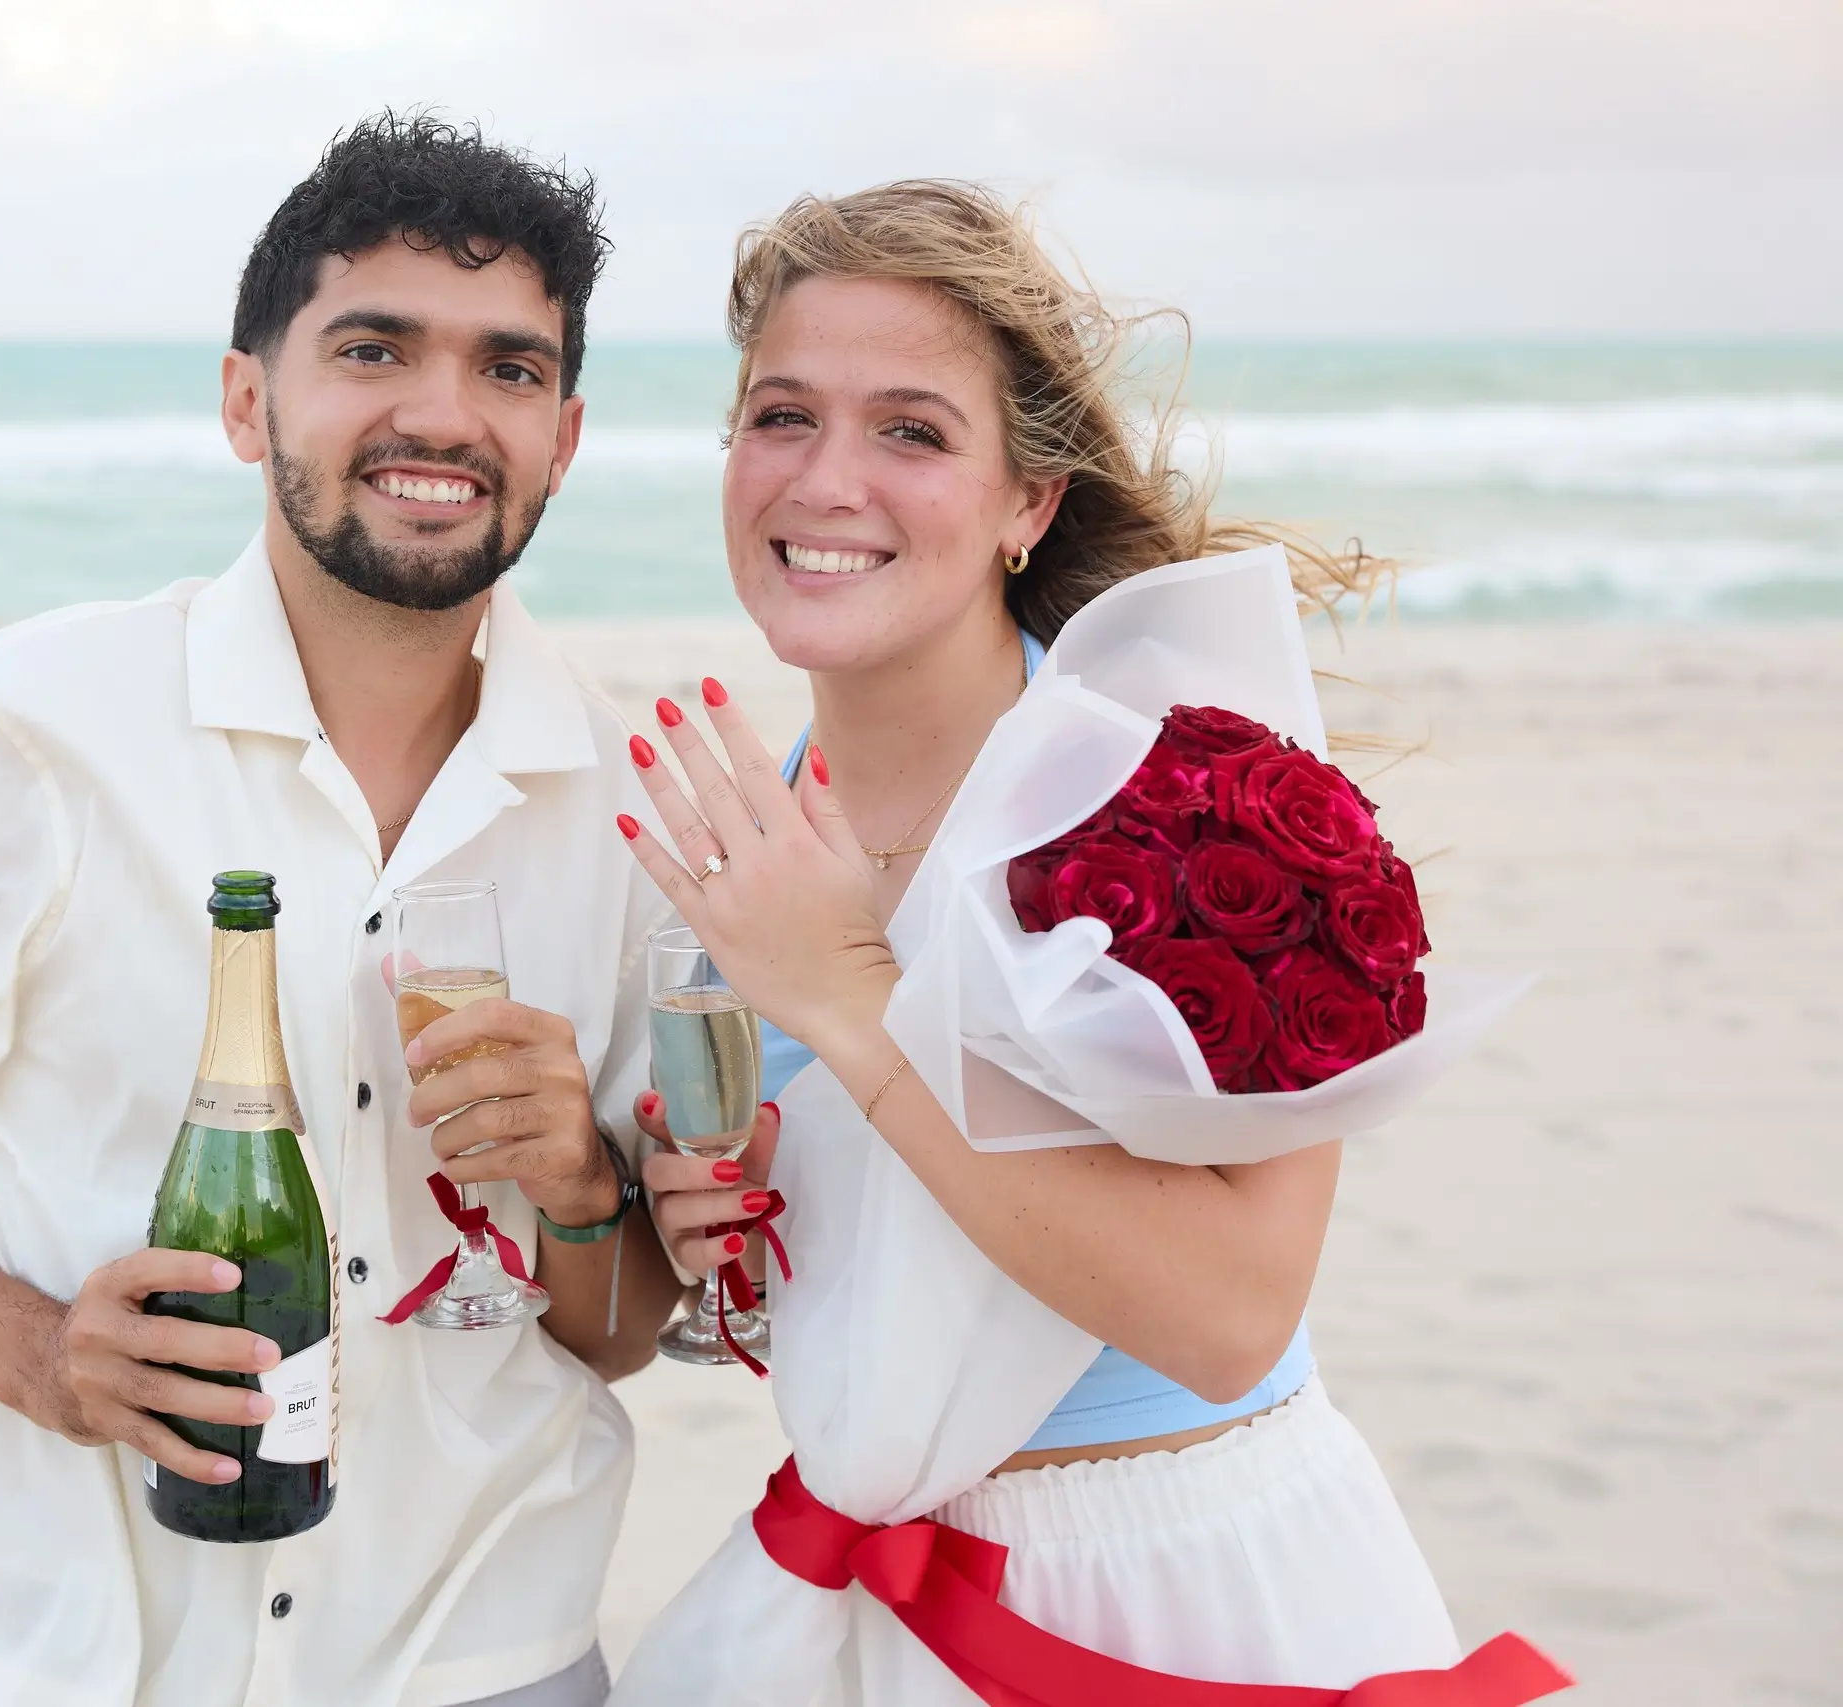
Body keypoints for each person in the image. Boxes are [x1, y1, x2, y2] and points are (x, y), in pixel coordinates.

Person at [0, 113, 687, 1707]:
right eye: (375, 348)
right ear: (248, 399)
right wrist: (42, 1355)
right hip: (91, 1670)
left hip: (495, 1663)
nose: (444, 413)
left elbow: (618, 1325)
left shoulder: (628, 807)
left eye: (509, 369)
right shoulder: (16, 737)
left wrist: (578, 1179)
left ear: (563, 437)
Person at [612, 183, 1557, 1703]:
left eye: (912, 431)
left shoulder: (1192, 793)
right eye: (781, 415)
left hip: (1175, 1586)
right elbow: (872, 1292)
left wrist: (852, 999)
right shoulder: (756, 826)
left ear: (1025, 502)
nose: (826, 478)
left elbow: (1233, 1314)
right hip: (862, 1608)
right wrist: (705, 1232)